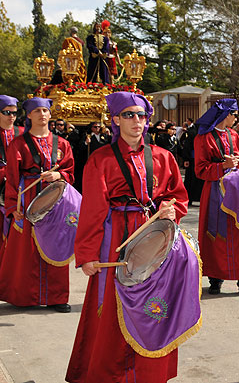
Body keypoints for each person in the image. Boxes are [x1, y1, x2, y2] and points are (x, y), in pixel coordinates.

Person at [65, 91, 190, 383]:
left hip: (154, 236)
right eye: (129, 115)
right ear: (115, 120)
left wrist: (171, 209)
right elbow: (93, 210)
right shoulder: (100, 159)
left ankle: (150, 372)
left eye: (142, 115)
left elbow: (177, 196)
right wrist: (87, 255)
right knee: (114, 306)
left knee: (154, 304)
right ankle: (113, 374)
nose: (137, 121)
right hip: (116, 237)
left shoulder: (163, 156)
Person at [0, 97, 74, 312]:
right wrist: (13, 207)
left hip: (55, 199)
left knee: (55, 244)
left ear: (50, 115)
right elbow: (13, 178)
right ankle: (26, 296)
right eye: (37, 111)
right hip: (28, 196)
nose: (42, 114)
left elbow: (70, 171)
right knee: (28, 249)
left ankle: (57, 296)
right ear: (29, 115)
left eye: (45, 110)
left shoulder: (62, 143)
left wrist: (59, 173)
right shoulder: (19, 144)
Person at [194, 98, 239, 295]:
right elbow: (200, 170)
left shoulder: (234, 135)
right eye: (234, 114)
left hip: (236, 191)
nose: (236, 119)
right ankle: (214, 279)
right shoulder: (203, 137)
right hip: (214, 192)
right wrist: (222, 166)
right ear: (226, 115)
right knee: (215, 236)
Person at [0, 95, 22, 259]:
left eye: (14, 113)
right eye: (6, 112)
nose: (11, 117)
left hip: (18, 190)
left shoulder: (22, 133)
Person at [179, 117, 202, 205]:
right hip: (193, 159)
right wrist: (186, 159)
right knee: (191, 180)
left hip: (196, 160)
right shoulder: (192, 133)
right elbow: (187, 146)